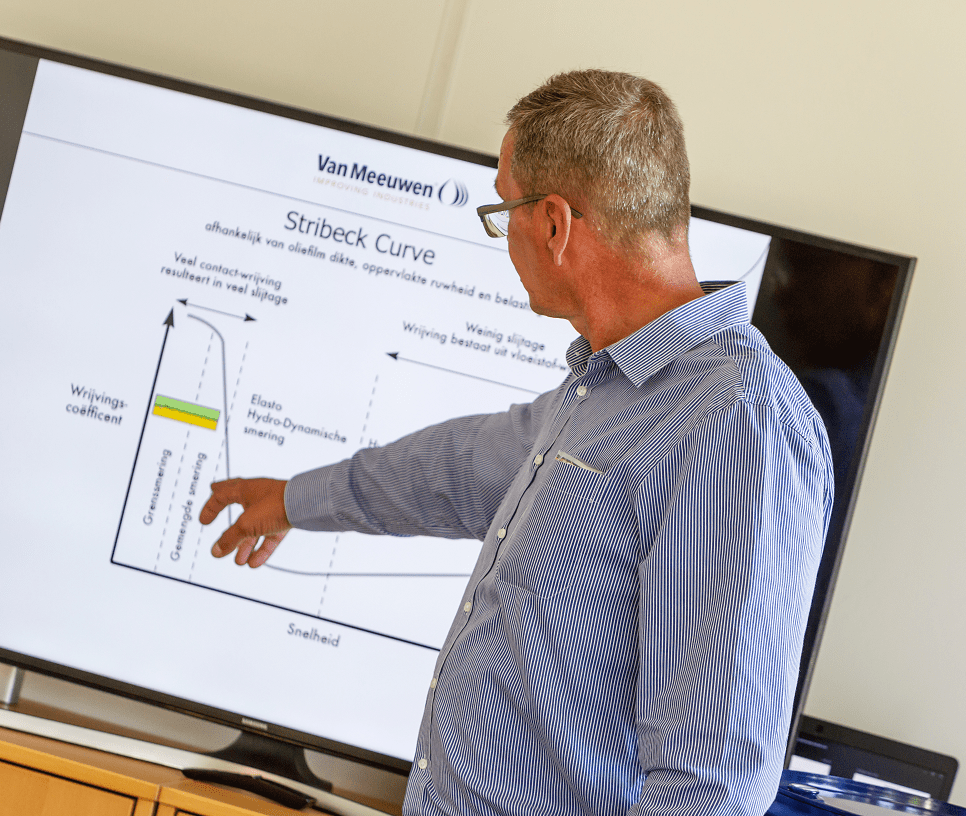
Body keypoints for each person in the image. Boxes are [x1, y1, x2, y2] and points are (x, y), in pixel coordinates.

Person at [201, 70, 834, 816]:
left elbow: (714, 785)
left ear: (555, 224)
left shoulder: (737, 424)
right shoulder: (606, 390)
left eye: (504, 211)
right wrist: (293, 499)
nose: (504, 236)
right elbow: (460, 467)